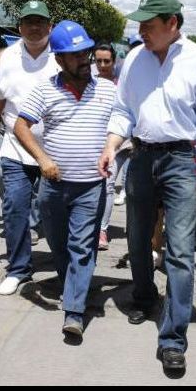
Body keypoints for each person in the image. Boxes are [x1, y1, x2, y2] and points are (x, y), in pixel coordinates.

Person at [98, 0, 196, 374]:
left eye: (149, 25)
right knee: (136, 236)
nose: (142, 31)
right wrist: (111, 143)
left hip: (182, 160)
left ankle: (173, 337)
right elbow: (123, 109)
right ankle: (144, 294)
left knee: (181, 250)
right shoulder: (134, 57)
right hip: (141, 156)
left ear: (172, 24)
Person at [15, 20, 116, 337]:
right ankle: (72, 285)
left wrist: (115, 147)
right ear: (59, 58)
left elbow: (123, 124)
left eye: (85, 52)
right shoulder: (45, 89)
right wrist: (42, 159)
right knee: (59, 246)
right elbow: (20, 126)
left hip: (90, 187)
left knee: (81, 247)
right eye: (74, 55)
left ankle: (74, 311)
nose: (83, 59)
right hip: (53, 188)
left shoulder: (109, 90)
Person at [0, 0, 61, 296]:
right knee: (14, 207)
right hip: (15, 147)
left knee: (54, 213)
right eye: (29, 22)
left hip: (54, 150)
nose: (35, 27)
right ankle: (18, 268)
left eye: (40, 21)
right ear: (20, 27)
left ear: (50, 26)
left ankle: (65, 266)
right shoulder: (9, 57)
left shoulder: (61, 55)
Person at [93, 43, 119, 250]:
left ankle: (102, 229)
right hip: (89, 143)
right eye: (98, 60)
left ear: (114, 61)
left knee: (108, 186)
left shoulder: (122, 85)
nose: (102, 65)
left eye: (106, 61)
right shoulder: (88, 82)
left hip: (115, 145)